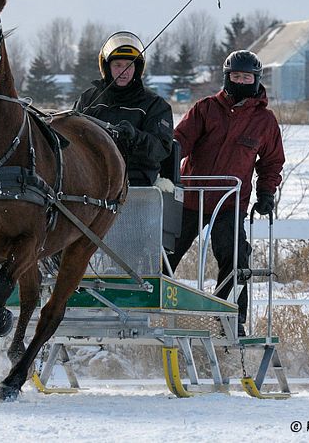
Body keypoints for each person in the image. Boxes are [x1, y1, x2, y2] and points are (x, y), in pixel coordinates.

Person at [167, 50, 285, 336]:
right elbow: (177, 143)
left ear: (256, 80)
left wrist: (266, 193)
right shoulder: (205, 109)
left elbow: (271, 162)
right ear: (227, 78)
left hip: (229, 204)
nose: (241, 81)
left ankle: (229, 320)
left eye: (247, 77)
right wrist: (165, 173)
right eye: (236, 76)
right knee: (163, 255)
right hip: (192, 197)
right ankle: (146, 310)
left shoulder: (265, 121)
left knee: (235, 260)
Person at [74, 31, 174, 186]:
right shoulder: (88, 100)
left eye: (129, 65)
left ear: (137, 68)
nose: (123, 71)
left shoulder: (155, 105)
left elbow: (161, 149)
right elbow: (70, 137)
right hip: (92, 179)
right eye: (117, 65)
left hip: (135, 182)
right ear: (107, 67)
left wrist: (135, 137)